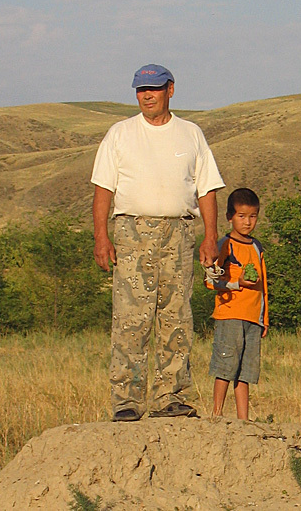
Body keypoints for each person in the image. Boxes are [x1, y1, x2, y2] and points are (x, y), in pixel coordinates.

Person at [91, 64, 225, 422]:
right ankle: (127, 400)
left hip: (179, 233)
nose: (146, 95)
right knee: (131, 318)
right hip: (132, 233)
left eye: (153, 88)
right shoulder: (119, 134)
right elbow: (103, 188)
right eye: (140, 90)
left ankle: (171, 397)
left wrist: (210, 237)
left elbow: (206, 188)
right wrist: (101, 236)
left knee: (176, 315)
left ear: (170, 90)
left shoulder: (190, 133)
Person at [204, 187, 268, 420]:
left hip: (253, 317)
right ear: (230, 217)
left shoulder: (257, 247)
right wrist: (236, 283)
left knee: (245, 372)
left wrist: (264, 319)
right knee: (225, 366)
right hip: (230, 314)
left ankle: (244, 420)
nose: (247, 222)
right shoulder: (224, 245)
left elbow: (264, 287)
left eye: (252, 216)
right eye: (241, 216)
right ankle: (217, 414)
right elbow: (210, 281)